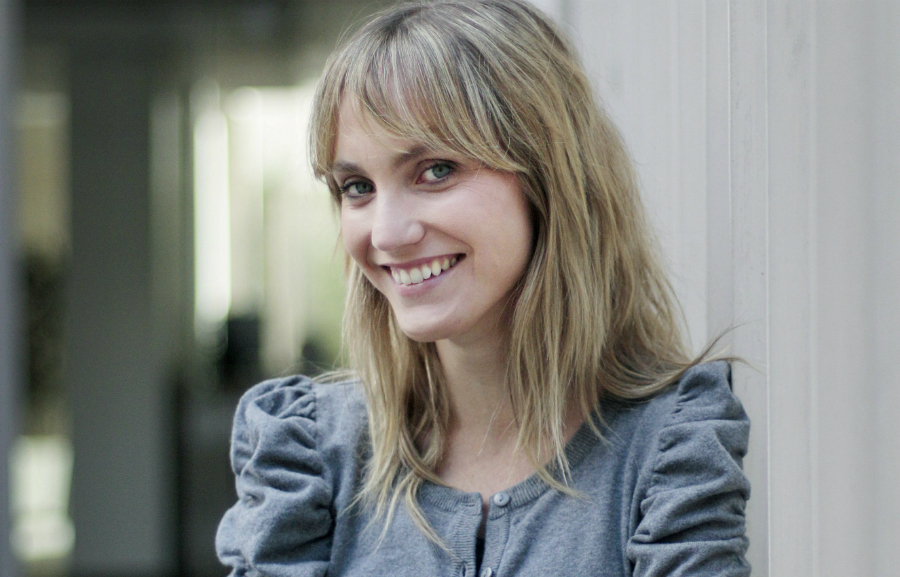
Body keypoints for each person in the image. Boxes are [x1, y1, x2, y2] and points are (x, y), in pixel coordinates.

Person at [216, 1, 751, 575]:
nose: (387, 234)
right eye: (357, 186)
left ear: (547, 176)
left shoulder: (670, 450)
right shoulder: (308, 460)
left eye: (436, 170)